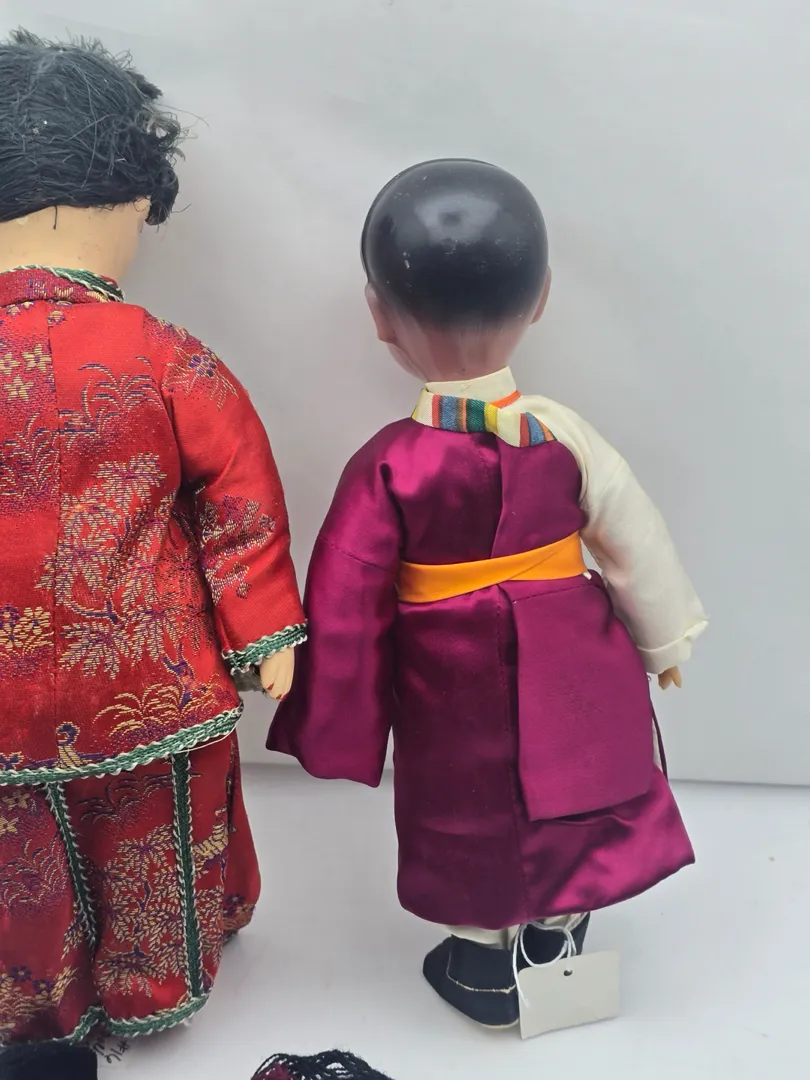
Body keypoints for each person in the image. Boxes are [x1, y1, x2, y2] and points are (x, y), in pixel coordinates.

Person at [270, 159, 707, 1028]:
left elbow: (347, 599)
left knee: (467, 806)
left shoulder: (387, 465)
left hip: (449, 672)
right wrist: (662, 642)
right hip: (575, 650)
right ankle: (557, 931)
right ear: (541, 299)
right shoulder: (565, 434)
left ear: (378, 317)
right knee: (578, 784)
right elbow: (634, 538)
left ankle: (483, 958)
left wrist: (337, 707)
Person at [0, 31, 304, 1044]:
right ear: (130, 204)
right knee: (149, 840)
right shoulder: (161, 355)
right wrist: (265, 632)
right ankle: (148, 992)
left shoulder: (161, 353)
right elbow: (241, 495)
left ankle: (35, 1008)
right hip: (144, 672)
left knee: (18, 858)